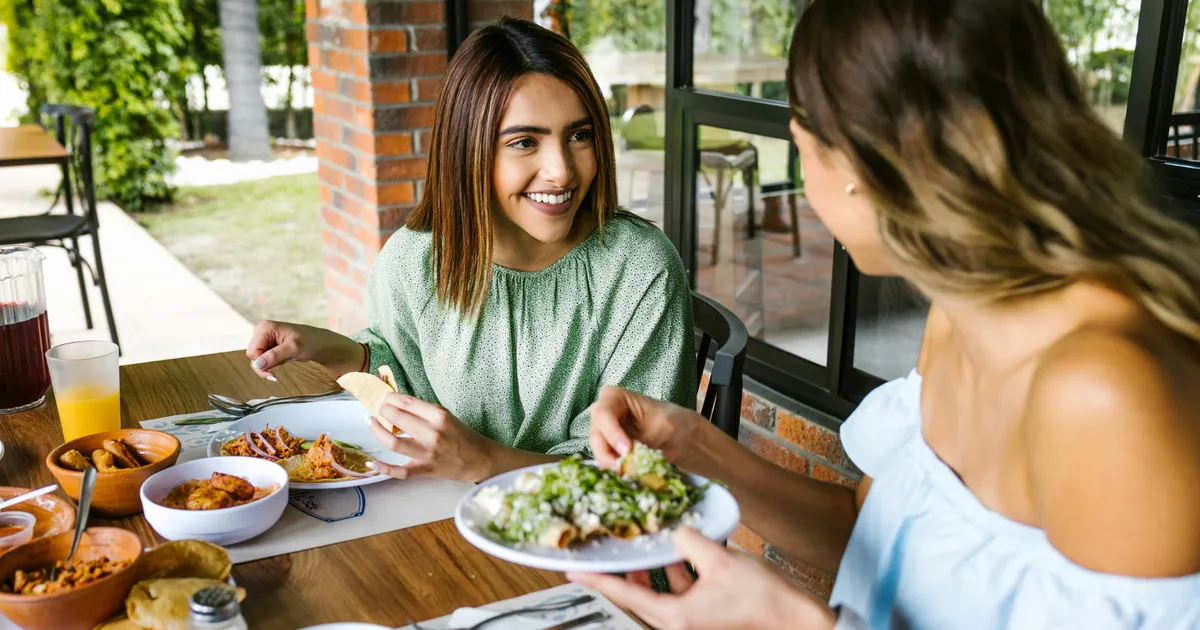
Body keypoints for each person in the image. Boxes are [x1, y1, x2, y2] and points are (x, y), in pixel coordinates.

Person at [569, 0, 1200, 627]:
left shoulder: (1106, 392)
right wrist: (697, 445)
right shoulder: (958, 318)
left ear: (863, 166)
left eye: (803, 147)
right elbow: (873, 538)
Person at [245, 18, 695, 484]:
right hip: (444, 513)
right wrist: (332, 349)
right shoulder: (414, 261)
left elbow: (638, 471)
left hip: (598, 527)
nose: (561, 170)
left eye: (579, 135)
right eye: (525, 142)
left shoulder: (640, 268)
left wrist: (486, 463)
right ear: (468, 149)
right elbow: (409, 384)